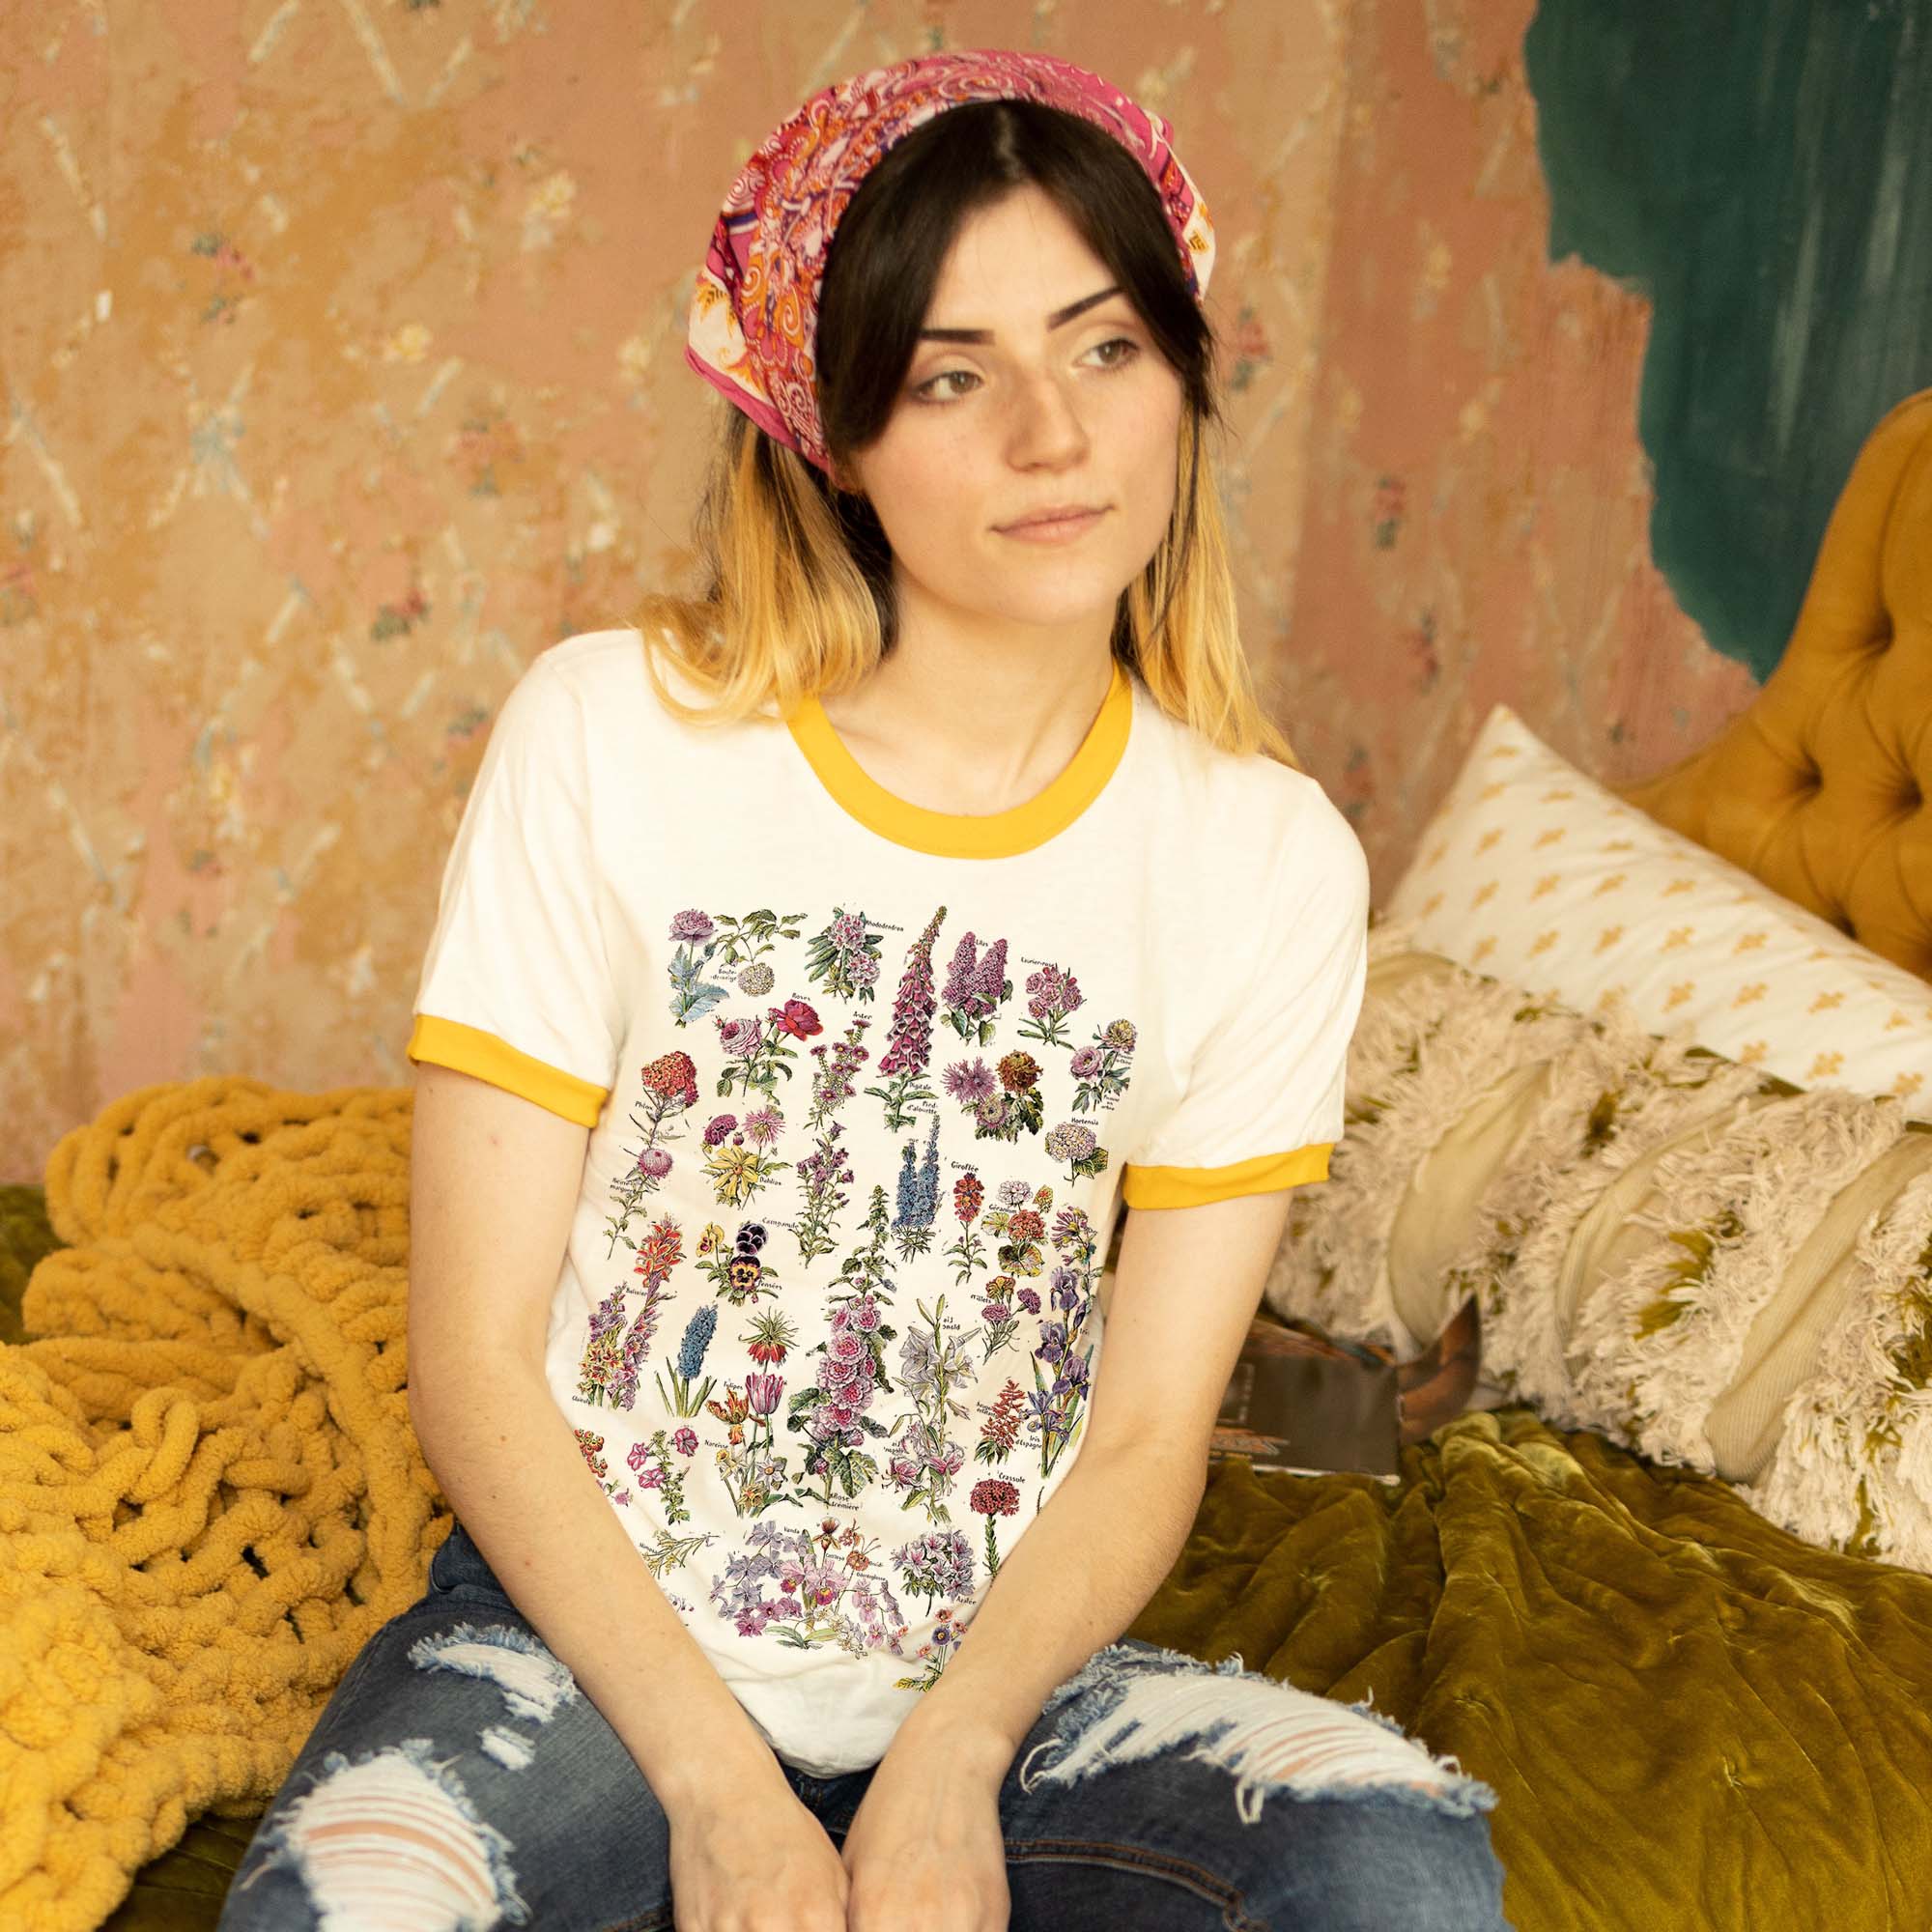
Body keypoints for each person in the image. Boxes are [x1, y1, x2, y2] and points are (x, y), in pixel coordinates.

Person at [216, 46, 1513, 1932]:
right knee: (343, 1908)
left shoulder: (1267, 857)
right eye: (951, 375)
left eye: (1102, 348)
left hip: (1001, 1684)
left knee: (1399, 1861)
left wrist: (953, 1761)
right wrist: (723, 1799)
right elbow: (477, 1360)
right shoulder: (615, 736)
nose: (1054, 439)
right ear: (831, 425)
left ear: (1182, 373)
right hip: (592, 1656)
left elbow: (1152, 1430)